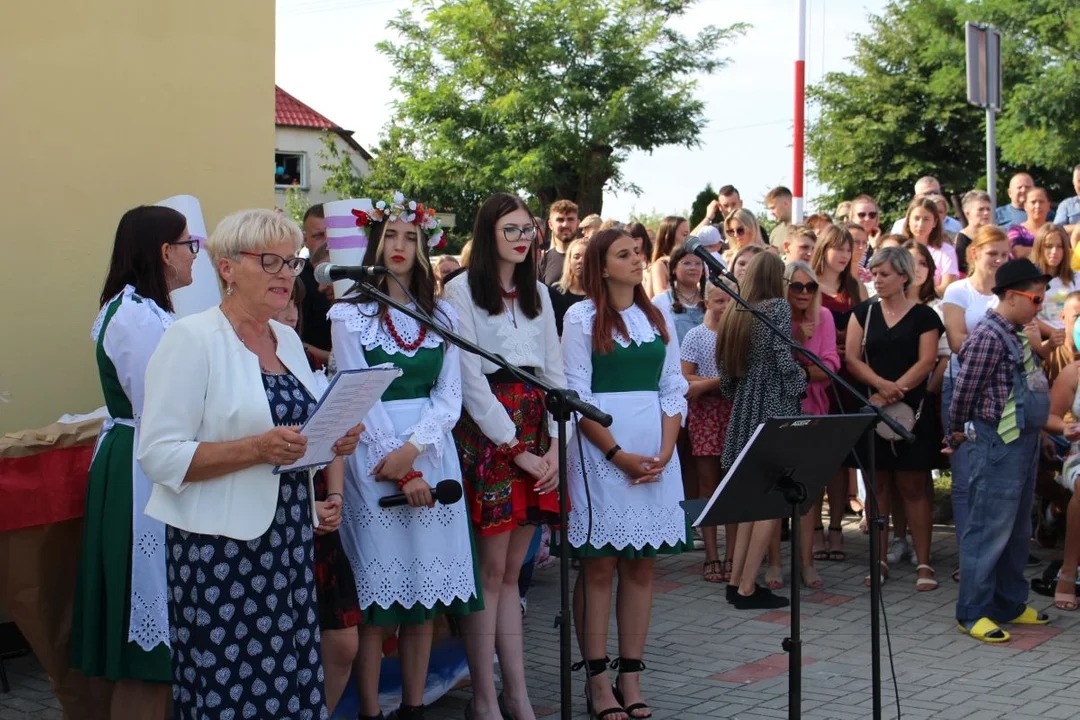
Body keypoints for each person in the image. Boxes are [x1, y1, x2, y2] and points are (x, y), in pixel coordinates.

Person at [137, 208, 363, 719]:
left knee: (290, 682)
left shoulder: (285, 340)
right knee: (229, 691)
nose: (286, 273)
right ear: (227, 268)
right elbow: (157, 455)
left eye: (291, 261)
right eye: (270, 261)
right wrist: (255, 450)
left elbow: (297, 436)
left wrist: (332, 438)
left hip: (286, 541)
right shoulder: (191, 339)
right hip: (218, 552)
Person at [327, 194, 480, 720]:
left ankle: (413, 706)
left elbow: (450, 395)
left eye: (409, 237)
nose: (399, 246)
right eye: (390, 235)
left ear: (423, 246)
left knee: (423, 596)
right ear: (373, 242)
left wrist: (416, 452)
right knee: (377, 601)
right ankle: (371, 708)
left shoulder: (441, 313)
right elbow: (355, 396)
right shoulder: (347, 315)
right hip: (373, 460)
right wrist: (399, 463)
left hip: (431, 453)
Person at [442, 193, 565, 720]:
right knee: (490, 573)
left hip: (538, 427)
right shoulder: (459, 290)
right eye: (510, 229)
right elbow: (470, 380)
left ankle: (516, 694)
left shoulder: (539, 290)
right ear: (488, 232)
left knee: (514, 573)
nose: (521, 238)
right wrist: (514, 448)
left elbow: (556, 373)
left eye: (527, 230)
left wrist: (556, 444)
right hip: (492, 433)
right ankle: (486, 697)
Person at [71, 206, 197, 718]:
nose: (195, 255)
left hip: (147, 462)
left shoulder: (149, 311)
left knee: (159, 653)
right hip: (142, 473)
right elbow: (163, 409)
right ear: (165, 253)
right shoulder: (137, 317)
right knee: (146, 652)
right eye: (190, 244)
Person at [559, 227, 689, 720]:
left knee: (641, 565)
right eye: (624, 254)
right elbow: (577, 393)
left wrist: (665, 450)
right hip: (601, 455)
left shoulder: (657, 315)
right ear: (601, 265)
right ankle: (596, 682)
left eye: (638, 252)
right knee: (600, 565)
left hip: (657, 454)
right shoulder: (581, 315)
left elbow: (673, 384)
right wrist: (616, 454)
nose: (637, 260)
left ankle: (630, 675)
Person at [947, 259, 1053, 643]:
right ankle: (972, 611)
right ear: (1012, 296)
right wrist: (955, 432)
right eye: (1036, 299)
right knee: (988, 528)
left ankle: (1008, 602)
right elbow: (963, 392)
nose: (1040, 306)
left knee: (1017, 528)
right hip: (997, 443)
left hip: (1023, 442)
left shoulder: (1014, 332)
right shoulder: (988, 336)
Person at [845, 247, 944, 590]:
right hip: (874, 409)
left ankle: (925, 563)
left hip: (911, 412)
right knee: (878, 487)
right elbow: (852, 358)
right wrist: (881, 387)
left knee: (913, 486)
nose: (877, 279)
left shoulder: (925, 317)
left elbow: (927, 360)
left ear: (904, 276)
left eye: (884, 274)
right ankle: (879, 559)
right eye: (874, 273)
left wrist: (896, 389)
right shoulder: (863, 313)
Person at [717, 252, 806, 609]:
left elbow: (725, 376)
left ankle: (737, 580)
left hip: (743, 408)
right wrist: (799, 380)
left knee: (752, 501)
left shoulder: (733, 313)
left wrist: (742, 396)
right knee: (772, 501)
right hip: (775, 407)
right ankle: (747, 589)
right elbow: (784, 359)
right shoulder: (777, 309)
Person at [785, 260, 840, 590]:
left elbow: (831, 365)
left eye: (810, 287)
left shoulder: (826, 317)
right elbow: (776, 368)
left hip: (816, 411)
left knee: (807, 493)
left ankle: (806, 562)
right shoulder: (776, 318)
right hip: (783, 412)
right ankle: (777, 562)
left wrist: (804, 369)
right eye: (797, 286)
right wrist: (797, 339)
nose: (804, 292)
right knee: (780, 491)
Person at [811, 224, 867, 540]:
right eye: (839, 248)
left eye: (849, 249)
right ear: (824, 249)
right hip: (819, 379)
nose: (845, 255)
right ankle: (815, 526)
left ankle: (835, 527)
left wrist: (850, 343)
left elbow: (868, 329)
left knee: (841, 456)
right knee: (818, 455)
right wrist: (834, 342)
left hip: (849, 376)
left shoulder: (856, 288)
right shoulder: (809, 286)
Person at [681, 281, 735, 584]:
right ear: (706, 302)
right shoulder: (695, 336)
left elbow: (741, 376)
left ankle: (733, 556)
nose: (724, 307)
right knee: (707, 486)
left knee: (733, 486)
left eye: (729, 301)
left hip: (733, 414)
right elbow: (685, 380)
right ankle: (711, 554)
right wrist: (719, 383)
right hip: (705, 417)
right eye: (718, 301)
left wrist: (708, 384)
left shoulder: (738, 336)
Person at [298, 204, 333, 366]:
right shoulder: (294, 279)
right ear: (305, 240)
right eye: (319, 235)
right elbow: (289, 337)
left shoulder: (357, 275)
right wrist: (334, 357)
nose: (327, 242)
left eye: (331, 234)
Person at [902, 196, 958, 295]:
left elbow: (948, 286)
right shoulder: (899, 248)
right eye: (916, 218)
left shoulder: (946, 251)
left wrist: (919, 295)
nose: (920, 224)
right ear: (908, 220)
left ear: (935, 222)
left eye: (926, 219)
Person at [651, 244, 705, 343]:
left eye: (698, 263)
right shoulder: (661, 302)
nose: (693, 267)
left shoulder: (711, 299)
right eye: (687, 263)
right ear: (673, 268)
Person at [1032, 224, 1078, 335]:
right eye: (1048, 246)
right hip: (1043, 342)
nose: (1054, 251)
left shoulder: (1076, 278)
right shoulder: (1028, 281)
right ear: (1039, 248)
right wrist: (1056, 334)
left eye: (1059, 246)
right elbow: (1028, 319)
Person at [549, 237, 589, 336]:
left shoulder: (600, 295)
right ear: (569, 261)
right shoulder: (556, 292)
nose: (580, 261)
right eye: (576, 257)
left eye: (587, 257)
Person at [539, 199, 580, 286]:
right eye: (560, 220)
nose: (565, 224)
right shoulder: (543, 261)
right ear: (550, 224)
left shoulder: (590, 258)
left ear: (577, 223)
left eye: (570, 219)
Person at [648, 215, 690, 297]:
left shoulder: (690, 263)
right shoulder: (661, 265)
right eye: (685, 235)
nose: (688, 239)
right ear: (668, 236)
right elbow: (661, 296)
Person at [1008, 187, 1052, 261]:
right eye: (1033, 202)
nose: (1037, 206)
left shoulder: (1055, 230)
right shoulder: (1016, 230)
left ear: (1048, 205)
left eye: (1041, 202)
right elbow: (1018, 252)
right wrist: (1050, 252)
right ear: (1025, 206)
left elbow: (1067, 252)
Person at [955, 190, 993, 276]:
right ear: (968, 214)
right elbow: (962, 268)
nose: (986, 213)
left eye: (988, 209)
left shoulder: (994, 235)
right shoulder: (962, 238)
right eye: (981, 209)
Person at [1053, 164, 1080, 234]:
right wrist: (1077, 228)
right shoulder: (1066, 205)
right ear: (1073, 183)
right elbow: (1056, 230)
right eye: (1079, 181)